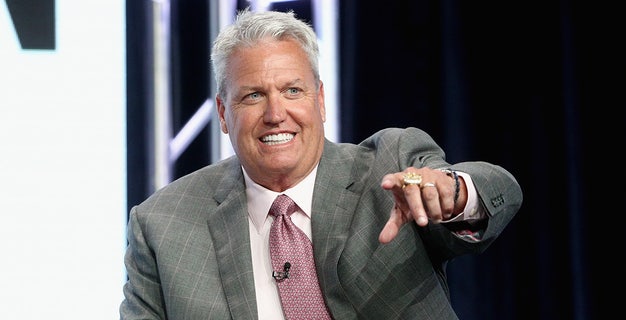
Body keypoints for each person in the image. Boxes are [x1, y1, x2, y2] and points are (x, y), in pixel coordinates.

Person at [119, 8, 523, 320]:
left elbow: (499, 188)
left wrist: (451, 193)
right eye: (253, 96)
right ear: (223, 114)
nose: (276, 113)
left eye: (293, 90)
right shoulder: (162, 226)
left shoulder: (388, 166)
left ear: (320, 100)